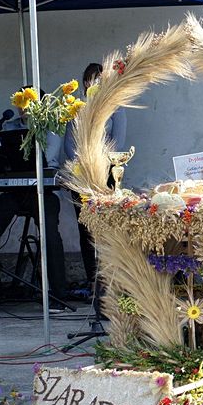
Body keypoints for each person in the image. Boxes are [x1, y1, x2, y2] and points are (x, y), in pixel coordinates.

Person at [0, 86, 67, 314]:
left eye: (26, 101)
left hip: (43, 192)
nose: (21, 107)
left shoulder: (52, 126)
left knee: (50, 236)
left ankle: (58, 295)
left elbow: (49, 161)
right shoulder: (10, 127)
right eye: (19, 101)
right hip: (15, 192)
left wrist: (35, 124)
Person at [62, 63, 128, 315]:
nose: (94, 85)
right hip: (81, 178)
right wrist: (82, 165)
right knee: (85, 230)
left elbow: (118, 143)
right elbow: (69, 145)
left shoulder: (116, 107)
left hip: (107, 177)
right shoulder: (77, 109)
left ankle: (109, 281)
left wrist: (99, 164)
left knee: (106, 230)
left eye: (98, 80)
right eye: (89, 81)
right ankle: (92, 280)